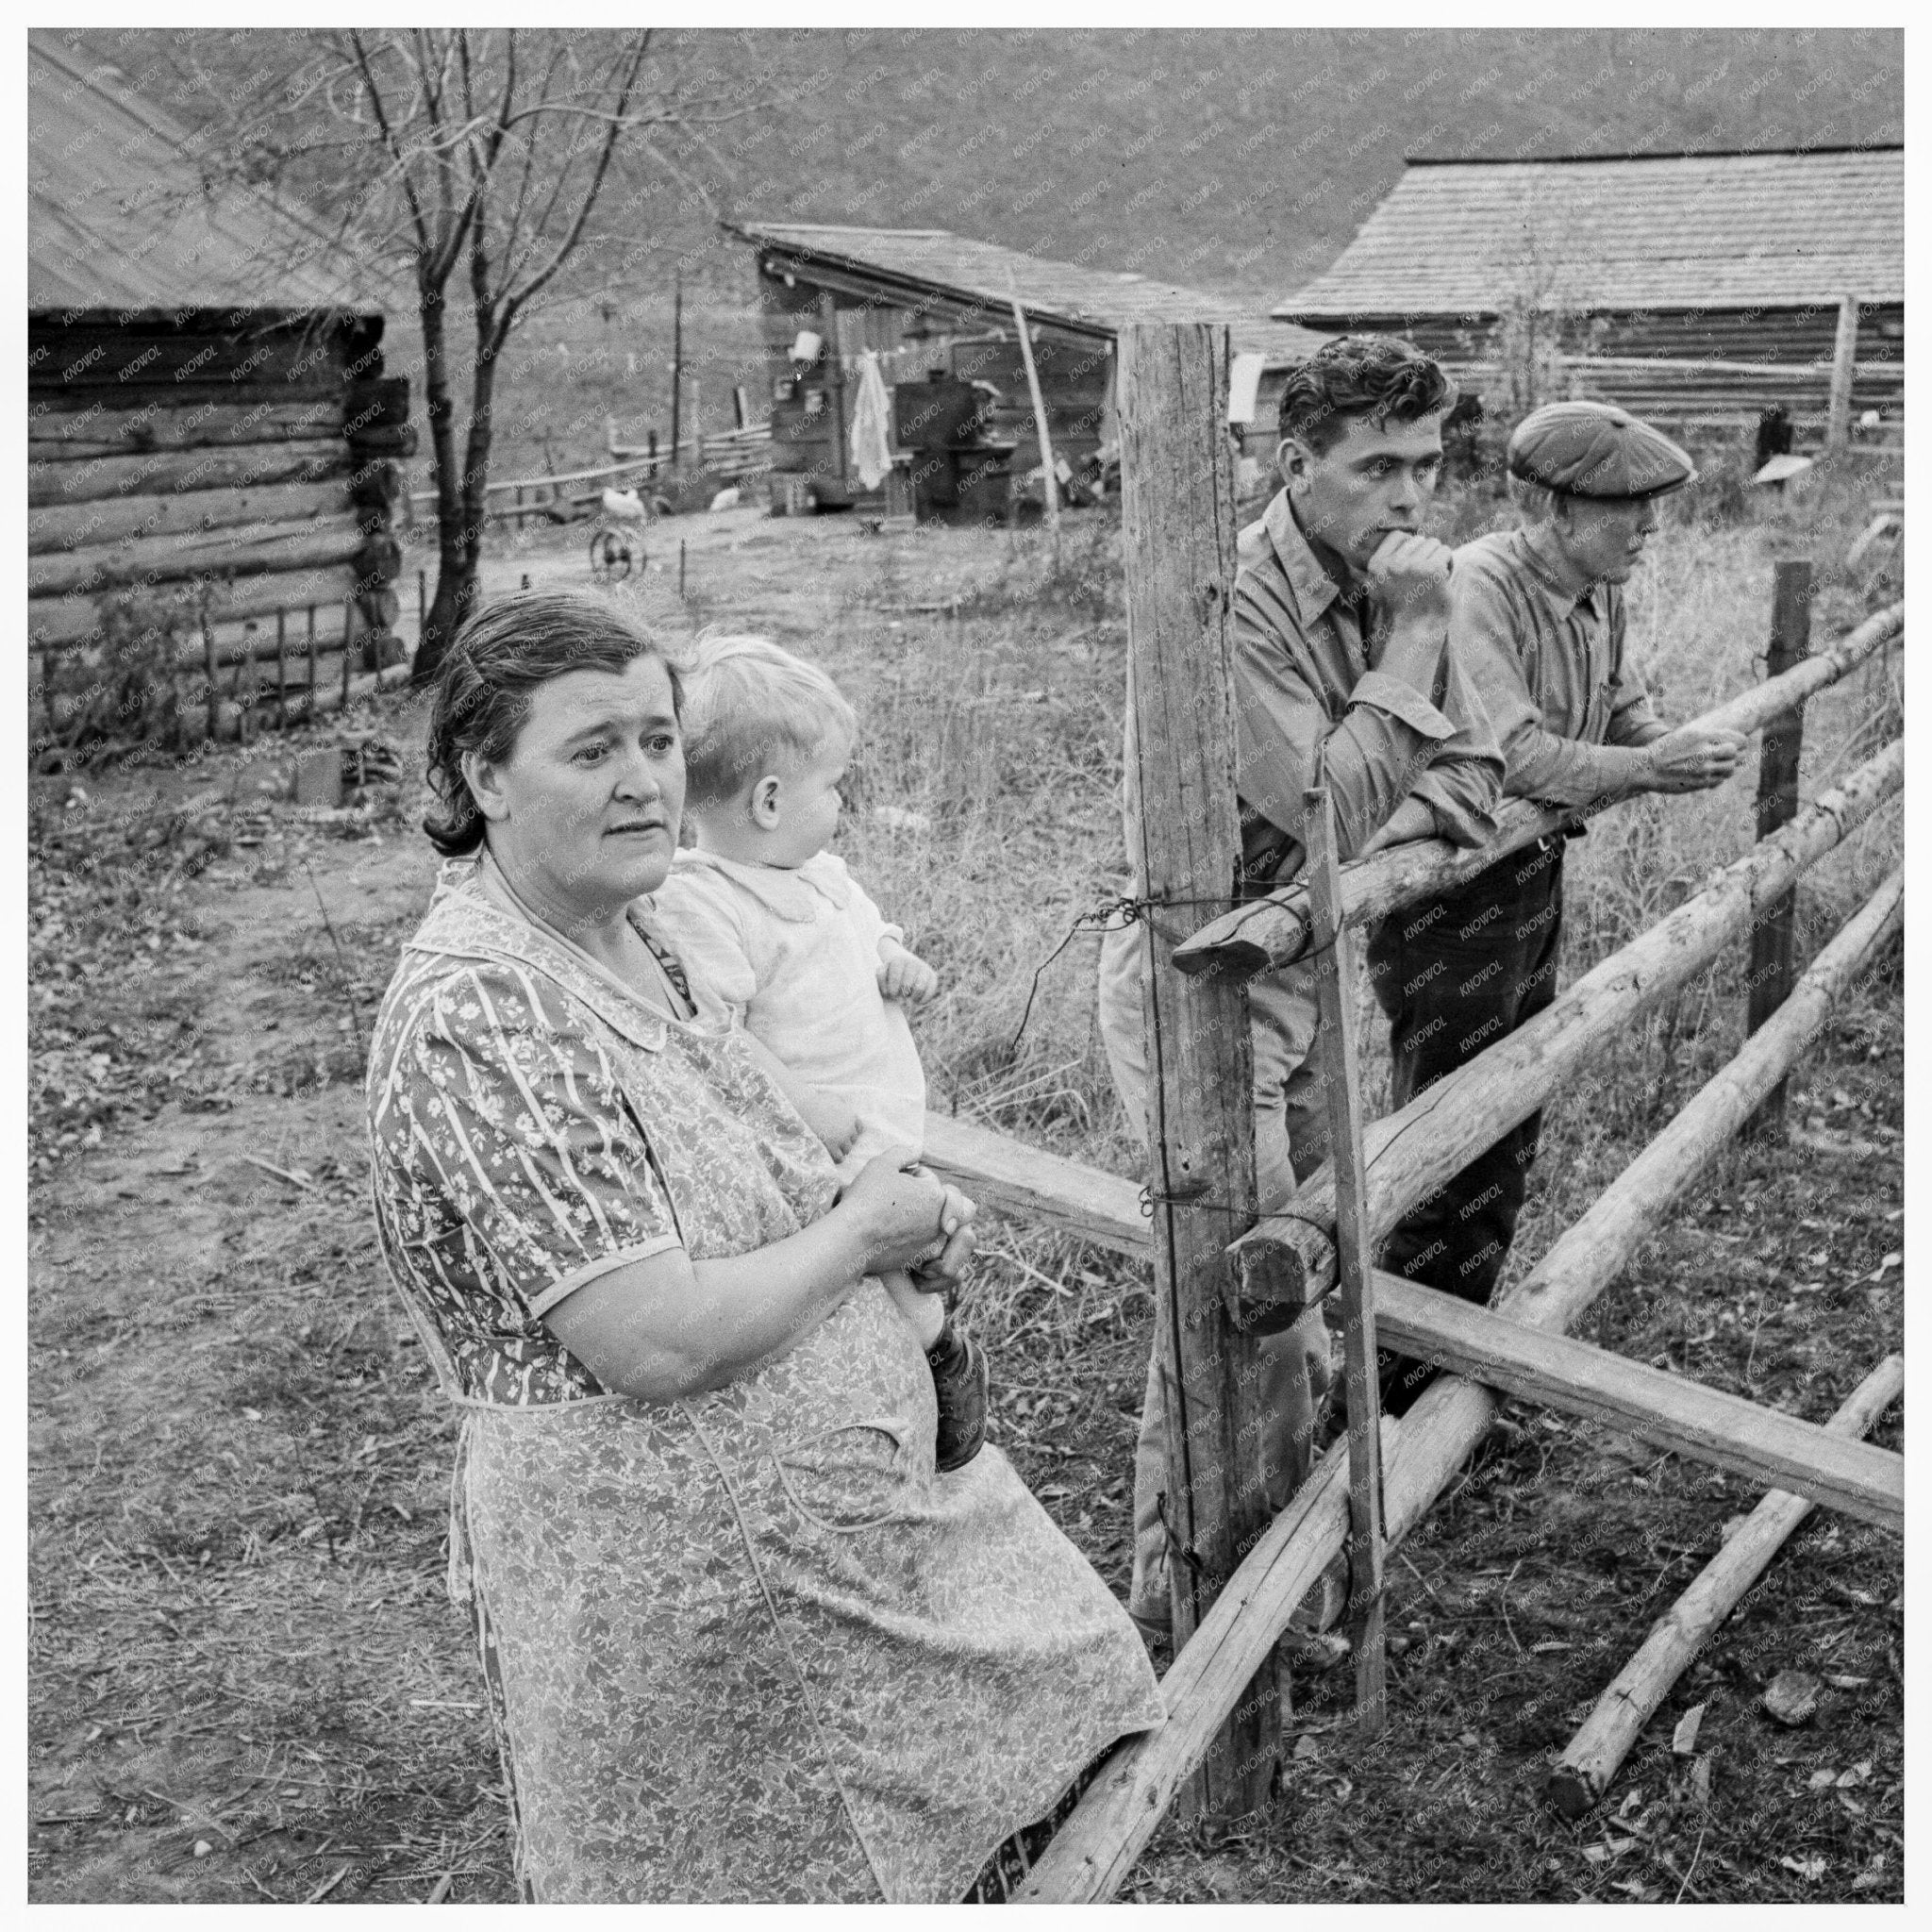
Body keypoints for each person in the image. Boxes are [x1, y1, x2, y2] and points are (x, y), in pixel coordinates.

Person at [365, 591, 1163, 1903]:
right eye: (591, 751)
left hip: (810, 1530)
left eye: (660, 742)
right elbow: (655, 1340)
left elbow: (742, 1087)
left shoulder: (640, 928)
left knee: (1036, 1751)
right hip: (669, 1573)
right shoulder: (486, 1014)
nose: (644, 784)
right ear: (478, 776)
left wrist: (865, 1151)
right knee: (743, 1874)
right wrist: (862, 1234)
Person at [1096, 336, 1505, 1643]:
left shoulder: (1402, 581)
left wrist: (1379, 794)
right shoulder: (1239, 599)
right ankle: (1185, 1609)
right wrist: (1420, 638)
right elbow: (1318, 808)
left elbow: (1478, 780)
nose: (1408, 498)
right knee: (1231, 1294)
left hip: (1316, 981)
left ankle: (1286, 1573)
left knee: (1311, 1276)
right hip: (1199, 984)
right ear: (1296, 463)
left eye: (1427, 467)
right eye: (1376, 467)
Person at [1366, 401, 1746, 1409]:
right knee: (1446, 1128)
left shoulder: (1593, 589)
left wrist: (1662, 738)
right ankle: (1387, 1390)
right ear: (1555, 507)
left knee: (1505, 1114)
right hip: (1447, 887)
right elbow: (1514, 754)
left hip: (1528, 871)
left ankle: (1448, 1366)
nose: (1647, 529)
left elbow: (1614, 701)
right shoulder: (1479, 586)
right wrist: (1646, 768)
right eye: (1628, 510)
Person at [650, 632, 989, 1472]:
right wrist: (800, 1103)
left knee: (919, 1237)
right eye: (833, 786)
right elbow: (712, 1032)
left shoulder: (824, 875)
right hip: (813, 1147)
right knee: (880, 1283)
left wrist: (895, 959)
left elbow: (869, 932)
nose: (843, 804)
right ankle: (936, 1376)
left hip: (876, 1122)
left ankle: (924, 1366)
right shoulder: (709, 901)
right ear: (769, 801)